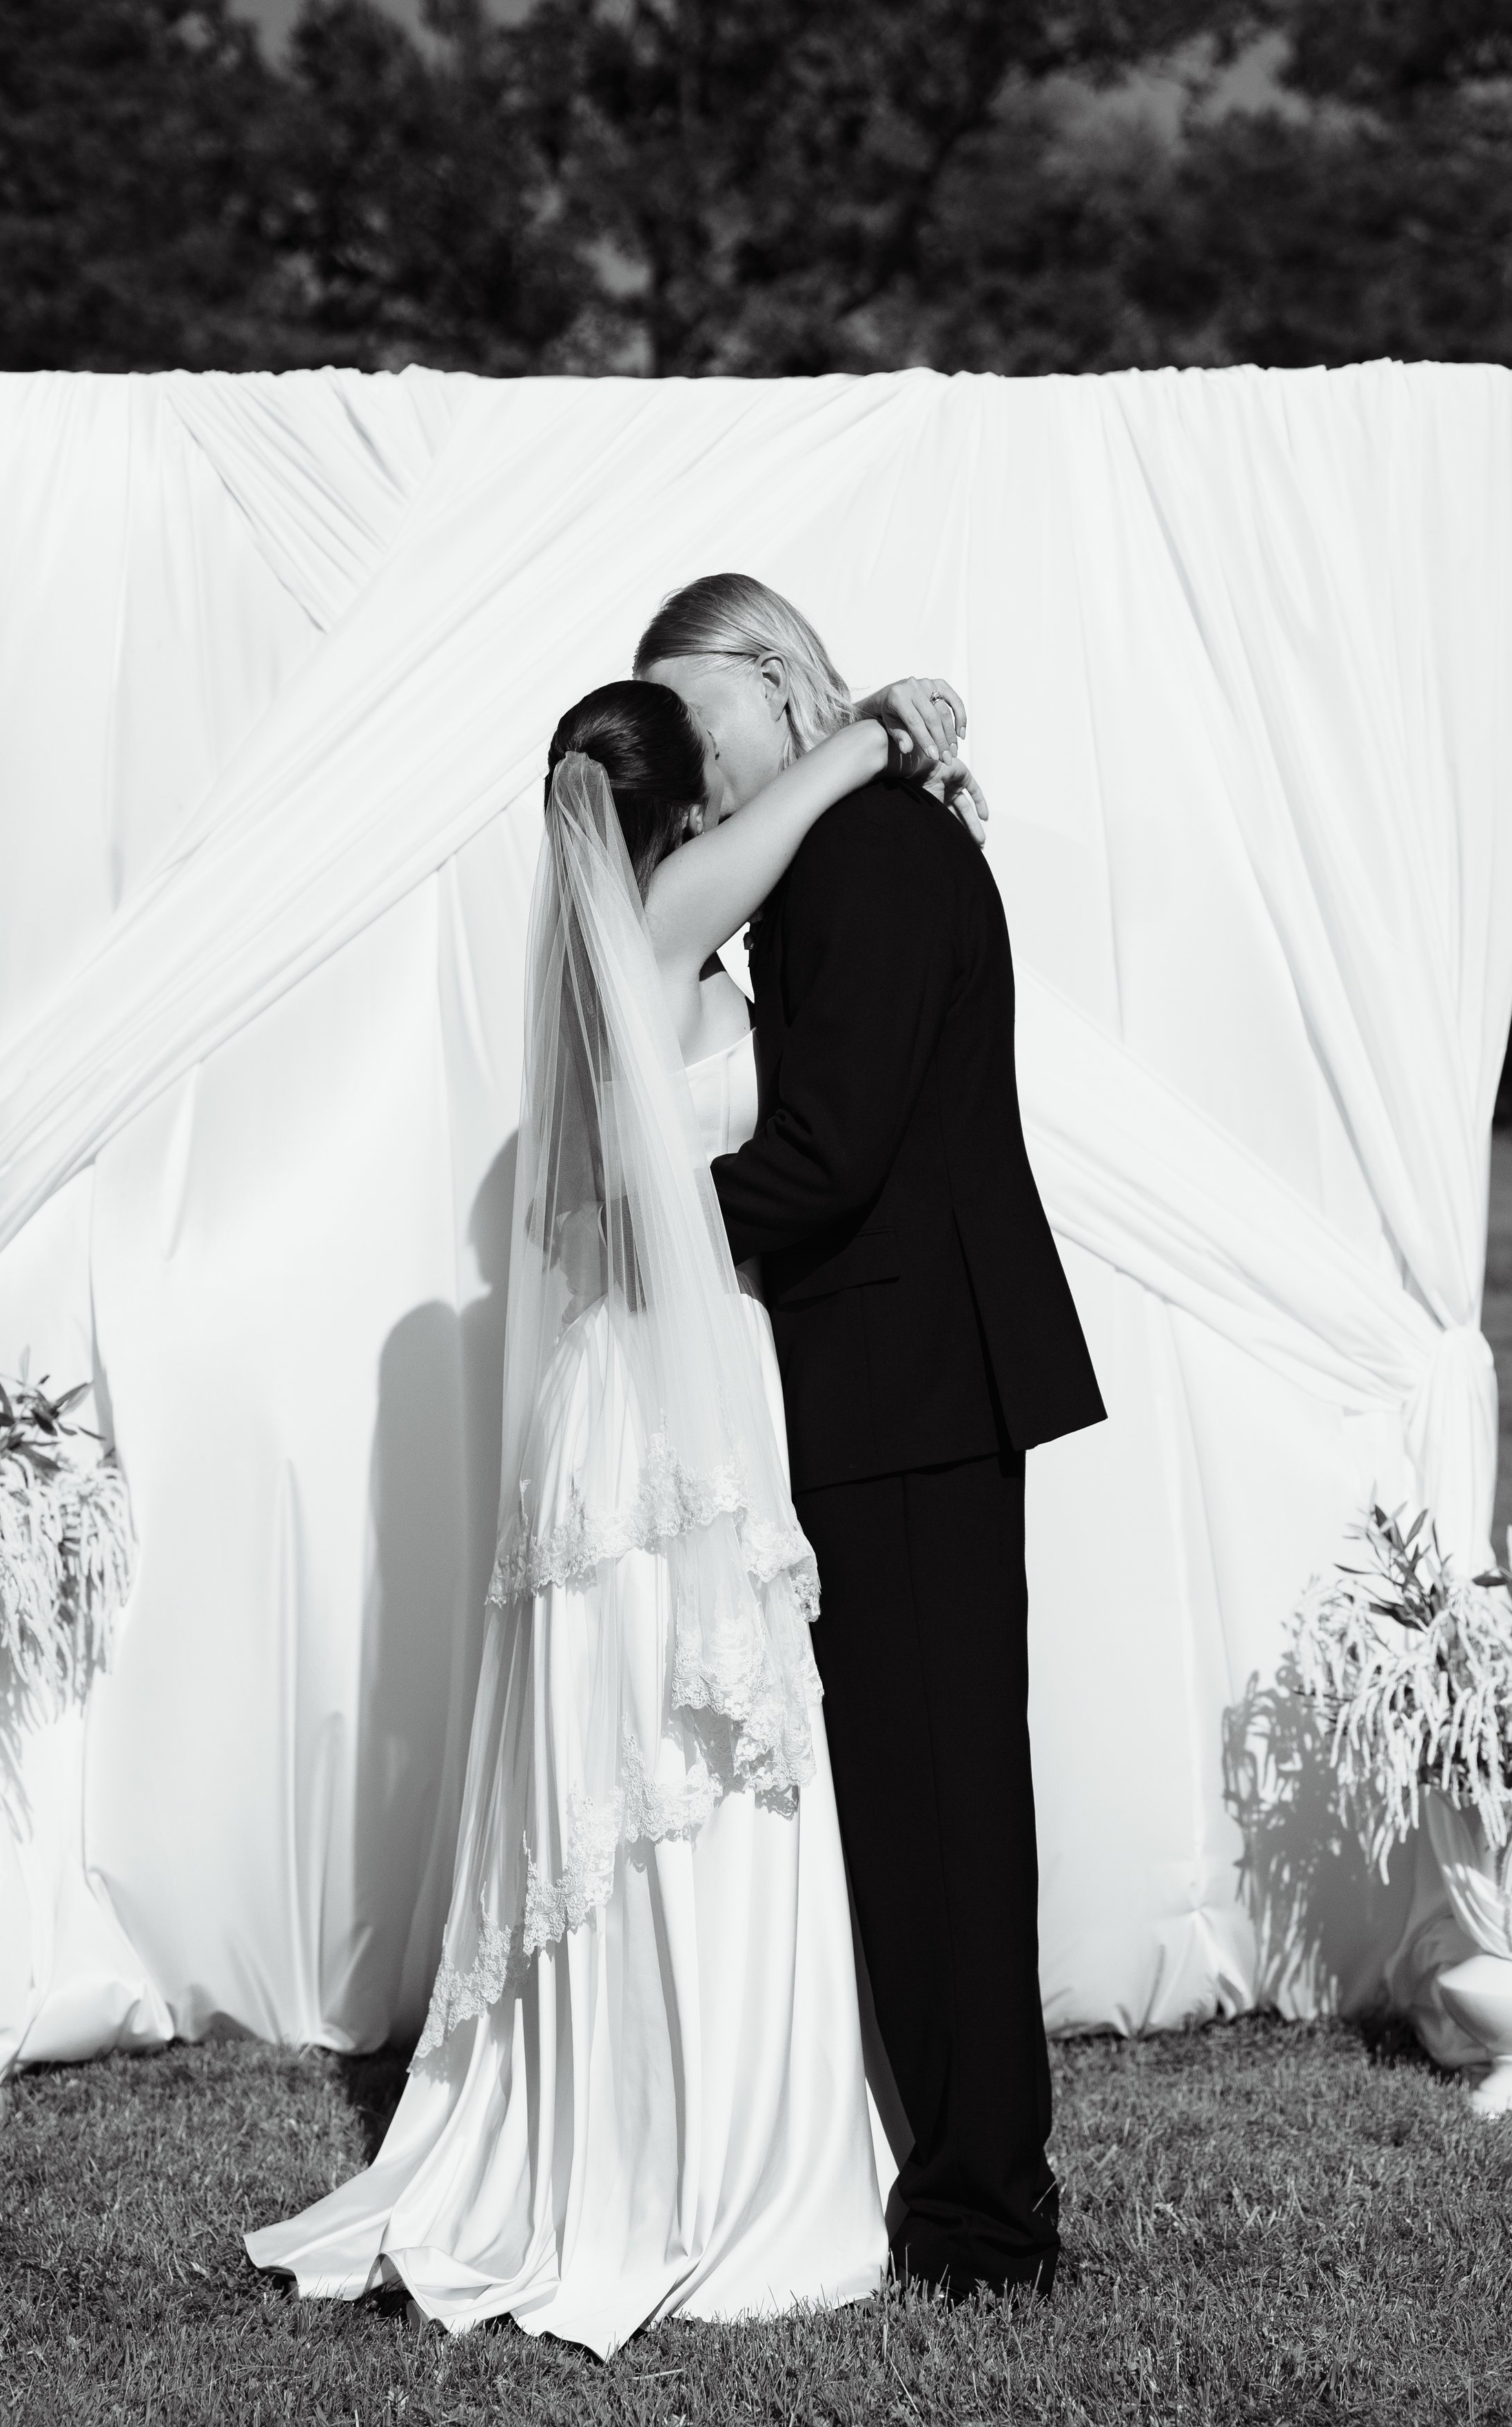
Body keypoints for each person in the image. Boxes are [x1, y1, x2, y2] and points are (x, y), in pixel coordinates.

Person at [245, 671, 979, 2354]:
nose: (736, 799)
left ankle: (632, 2131)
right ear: (675, 809)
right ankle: (705, 2164)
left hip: (625, 1401)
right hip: (670, 1408)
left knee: (655, 1772)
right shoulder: (653, 918)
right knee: (699, 1782)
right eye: (714, 775)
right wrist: (877, 727)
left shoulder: (595, 951)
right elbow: (787, 825)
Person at [637, 575, 1107, 2301]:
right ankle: (965, 2182)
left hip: (910, 1381)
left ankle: (986, 2220)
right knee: (927, 1807)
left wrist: (637, 1214)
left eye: (698, 718)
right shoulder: (859, 841)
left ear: (776, 678)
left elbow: (827, 1153)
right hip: (907, 1374)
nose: (691, 767)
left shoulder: (862, 858)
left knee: (943, 1815)